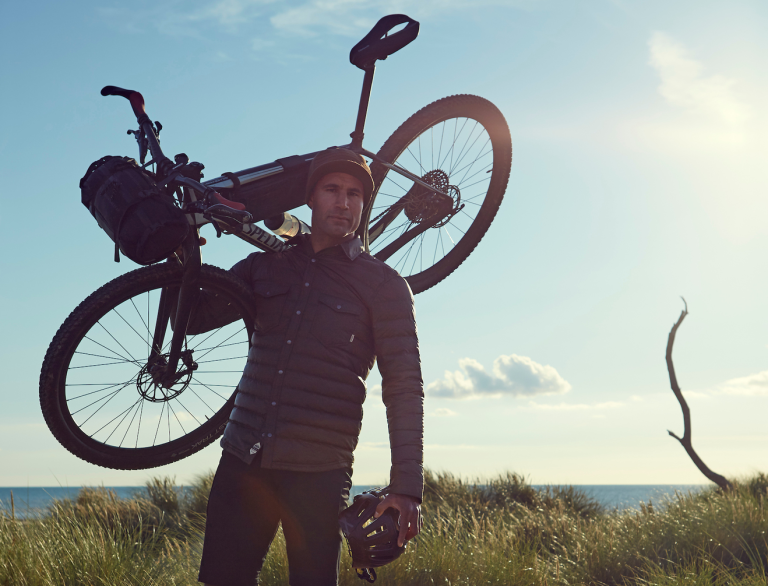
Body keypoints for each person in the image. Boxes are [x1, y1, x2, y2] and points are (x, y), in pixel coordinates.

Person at [197, 147, 424, 586]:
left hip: (320, 472)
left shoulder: (384, 286)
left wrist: (406, 486)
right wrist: (182, 255)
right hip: (243, 461)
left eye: (355, 194)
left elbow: (404, 386)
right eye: (332, 190)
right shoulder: (265, 265)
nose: (343, 202)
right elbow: (192, 321)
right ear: (311, 199)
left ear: (364, 205)